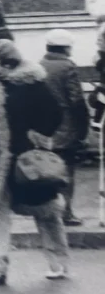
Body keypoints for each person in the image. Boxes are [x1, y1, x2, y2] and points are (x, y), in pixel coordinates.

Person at [0, 39, 66, 286]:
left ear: (5, 59)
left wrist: (39, 135)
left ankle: (58, 261)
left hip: (29, 160)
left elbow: (55, 113)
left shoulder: (32, 83)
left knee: (45, 210)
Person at [39, 29, 90, 226]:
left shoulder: (40, 65)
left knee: (47, 170)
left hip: (45, 128)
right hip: (66, 127)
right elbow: (76, 100)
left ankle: (48, 211)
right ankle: (66, 213)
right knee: (67, 170)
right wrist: (83, 127)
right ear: (66, 48)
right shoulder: (67, 67)